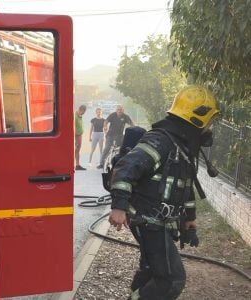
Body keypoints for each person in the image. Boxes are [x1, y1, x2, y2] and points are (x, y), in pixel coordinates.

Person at [108, 85, 220, 300]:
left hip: (159, 220)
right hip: (148, 220)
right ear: (197, 118)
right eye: (210, 122)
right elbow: (125, 169)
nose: (210, 129)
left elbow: (185, 186)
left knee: (151, 270)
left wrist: (190, 218)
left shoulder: (183, 146)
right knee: (171, 280)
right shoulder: (161, 141)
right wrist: (119, 206)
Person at [98, 105, 134, 169]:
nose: (119, 111)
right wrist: (105, 126)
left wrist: (134, 128)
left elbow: (131, 123)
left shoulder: (125, 116)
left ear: (123, 110)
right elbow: (106, 121)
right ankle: (101, 164)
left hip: (119, 136)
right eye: (118, 109)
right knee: (107, 148)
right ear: (116, 110)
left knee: (122, 149)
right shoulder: (112, 115)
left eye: (121, 109)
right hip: (110, 135)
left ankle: (121, 163)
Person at [75, 105, 87, 170]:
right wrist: (75, 137)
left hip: (79, 135)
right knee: (76, 150)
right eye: (84, 111)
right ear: (81, 109)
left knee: (78, 150)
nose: (84, 113)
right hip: (76, 135)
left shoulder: (80, 116)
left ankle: (77, 165)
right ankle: (76, 164)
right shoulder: (75, 116)